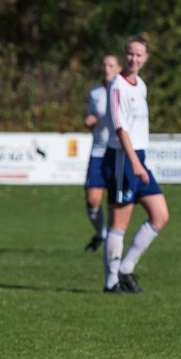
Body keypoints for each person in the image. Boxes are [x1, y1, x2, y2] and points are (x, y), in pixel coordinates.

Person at [101, 36, 169, 294]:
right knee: (119, 223)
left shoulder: (140, 85)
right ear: (125, 55)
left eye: (139, 55)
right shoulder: (117, 85)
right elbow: (120, 127)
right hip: (123, 158)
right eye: (130, 54)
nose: (134, 59)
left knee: (160, 215)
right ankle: (111, 282)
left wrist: (140, 163)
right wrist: (134, 163)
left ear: (146, 58)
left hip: (139, 159)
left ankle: (126, 269)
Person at [81, 54, 121, 251]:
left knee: (116, 200)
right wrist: (89, 120)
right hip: (98, 151)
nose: (107, 68)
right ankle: (100, 234)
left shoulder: (122, 90)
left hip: (118, 150)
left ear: (118, 68)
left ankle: (114, 239)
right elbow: (90, 117)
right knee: (92, 199)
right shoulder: (96, 92)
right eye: (104, 65)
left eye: (111, 65)